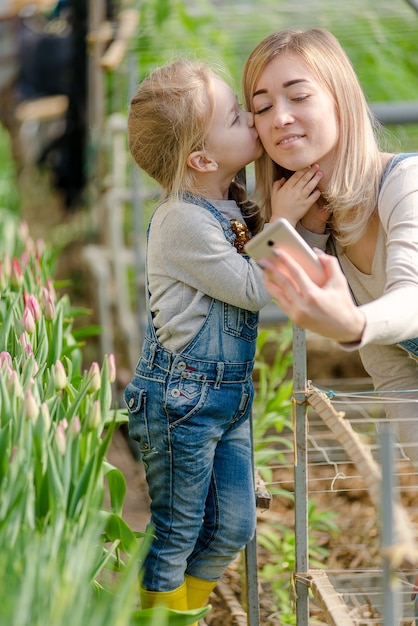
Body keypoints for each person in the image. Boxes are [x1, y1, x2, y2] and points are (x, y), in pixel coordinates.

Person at [124, 58, 320, 619]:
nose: (255, 123)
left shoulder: (228, 198)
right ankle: (158, 616)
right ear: (202, 159)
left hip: (226, 396)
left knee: (235, 524)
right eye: (238, 117)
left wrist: (273, 216)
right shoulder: (182, 220)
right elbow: (255, 288)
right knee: (178, 527)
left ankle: (175, 607)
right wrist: (282, 223)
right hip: (181, 399)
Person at [242, 27, 418, 469]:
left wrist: (355, 322)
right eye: (262, 107)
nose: (279, 117)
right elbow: (391, 370)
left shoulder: (406, 184)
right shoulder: (329, 229)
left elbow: (412, 298)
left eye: (298, 96)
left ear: (340, 98)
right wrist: (289, 228)